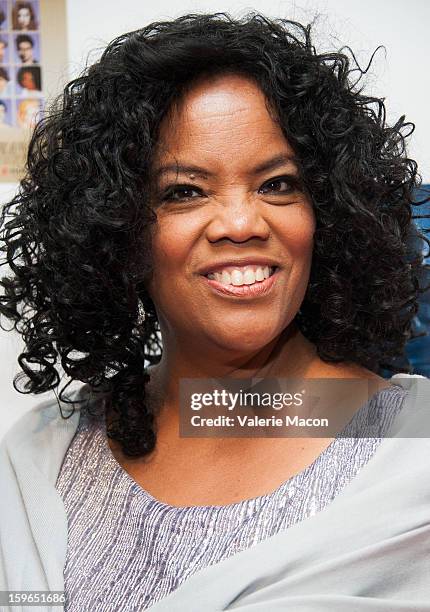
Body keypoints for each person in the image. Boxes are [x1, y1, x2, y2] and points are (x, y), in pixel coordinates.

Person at [1, 12, 430, 612]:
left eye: (278, 184)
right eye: (184, 191)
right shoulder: (41, 459)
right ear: (117, 229)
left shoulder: (416, 453)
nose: (240, 224)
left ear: (329, 210)